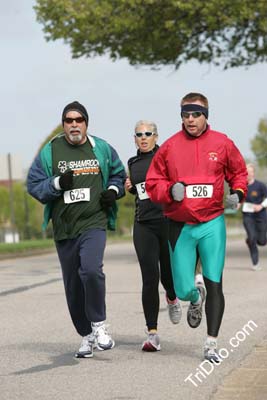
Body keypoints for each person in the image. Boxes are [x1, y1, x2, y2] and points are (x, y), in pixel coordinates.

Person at [146, 92, 247, 363]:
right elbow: (153, 182)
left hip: (212, 222)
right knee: (181, 289)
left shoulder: (222, 143)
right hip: (180, 226)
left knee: (215, 280)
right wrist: (169, 189)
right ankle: (194, 295)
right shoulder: (168, 147)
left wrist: (238, 193)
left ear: (206, 116)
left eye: (196, 115)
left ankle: (211, 343)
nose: (190, 120)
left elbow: (239, 173)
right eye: (185, 115)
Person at [27, 101, 126, 358]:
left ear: (86, 123)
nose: (74, 124)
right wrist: (58, 183)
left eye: (78, 120)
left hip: (93, 222)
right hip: (64, 227)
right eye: (69, 120)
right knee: (72, 286)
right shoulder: (50, 152)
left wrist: (113, 191)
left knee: (91, 270)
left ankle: (100, 325)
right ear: (63, 124)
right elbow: (34, 185)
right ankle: (86, 335)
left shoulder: (101, 148)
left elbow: (118, 174)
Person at [125, 120, 182, 352]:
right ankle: (152, 334)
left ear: (156, 136)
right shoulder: (132, 162)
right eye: (139, 134)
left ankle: (172, 297)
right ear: (135, 138)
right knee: (149, 277)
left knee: (167, 277)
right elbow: (139, 190)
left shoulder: (168, 157)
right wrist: (130, 188)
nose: (144, 137)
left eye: (148, 134)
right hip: (143, 224)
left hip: (167, 222)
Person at [241, 163, 267, 271]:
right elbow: (239, 199)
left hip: (261, 215)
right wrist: (237, 204)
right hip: (248, 216)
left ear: (253, 173)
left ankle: (252, 240)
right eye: (247, 172)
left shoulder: (260, 185)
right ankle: (255, 263)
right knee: (252, 238)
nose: (248, 174)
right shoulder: (242, 186)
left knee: (261, 241)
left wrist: (261, 206)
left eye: (250, 172)